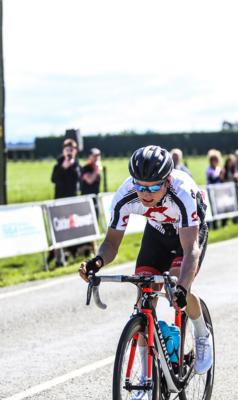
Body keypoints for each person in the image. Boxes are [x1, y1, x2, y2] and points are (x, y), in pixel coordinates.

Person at [78, 145, 213, 386]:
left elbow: (191, 249)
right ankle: (145, 376)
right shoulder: (126, 195)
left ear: (168, 180)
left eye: (152, 187)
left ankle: (202, 332)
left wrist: (182, 287)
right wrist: (97, 262)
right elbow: (111, 243)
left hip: (188, 235)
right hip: (157, 232)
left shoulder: (183, 193)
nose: (145, 194)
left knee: (176, 288)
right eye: (140, 185)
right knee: (144, 297)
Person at [48, 138, 81, 266]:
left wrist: (72, 166)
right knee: (59, 231)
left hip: (72, 202)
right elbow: (54, 179)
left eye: (71, 150)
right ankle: (58, 258)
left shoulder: (77, 165)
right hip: (59, 202)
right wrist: (63, 167)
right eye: (67, 150)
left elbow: (78, 180)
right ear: (63, 151)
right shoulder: (58, 165)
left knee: (71, 230)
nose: (69, 152)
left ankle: (72, 254)